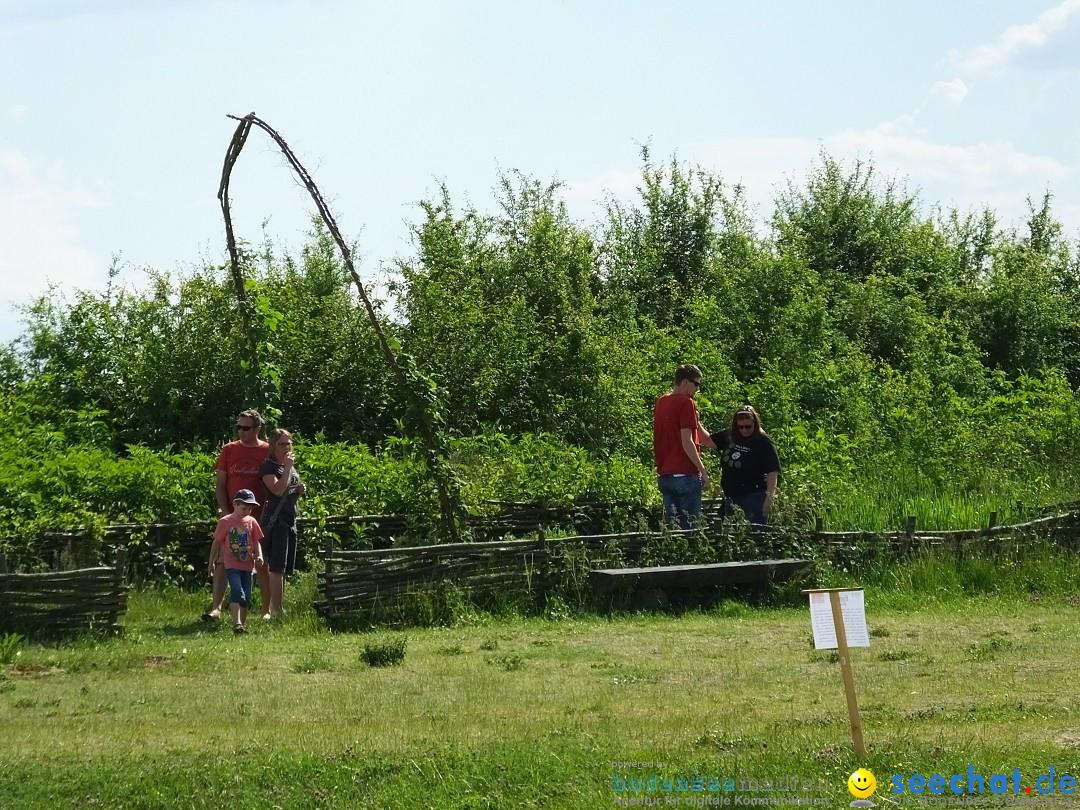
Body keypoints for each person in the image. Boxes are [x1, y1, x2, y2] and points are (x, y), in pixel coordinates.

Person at [203, 409, 269, 622]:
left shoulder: (267, 451)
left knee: (260, 561)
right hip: (232, 516)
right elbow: (220, 485)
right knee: (224, 559)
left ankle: (266, 610)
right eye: (238, 427)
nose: (241, 431)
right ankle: (216, 608)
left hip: (260, 516)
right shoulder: (229, 450)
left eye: (246, 428)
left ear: (257, 429)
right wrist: (225, 511)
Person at [653, 364, 716, 529]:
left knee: (672, 529)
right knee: (689, 529)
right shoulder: (686, 402)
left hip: (665, 474)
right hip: (685, 474)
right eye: (696, 384)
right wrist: (702, 470)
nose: (697, 389)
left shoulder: (661, 402)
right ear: (686, 382)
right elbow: (687, 441)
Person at [259, 428, 308, 618]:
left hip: (289, 520)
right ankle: (276, 611)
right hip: (276, 521)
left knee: (285, 568)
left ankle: (277, 607)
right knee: (276, 568)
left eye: (289, 443)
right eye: (282, 444)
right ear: (273, 445)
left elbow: (288, 488)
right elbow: (278, 490)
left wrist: (299, 489)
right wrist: (287, 467)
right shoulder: (268, 467)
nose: (287, 447)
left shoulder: (289, 464)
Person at [710, 405, 781, 525]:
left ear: (755, 423)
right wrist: (694, 422)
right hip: (731, 495)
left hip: (754, 495)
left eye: (748, 426)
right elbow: (708, 440)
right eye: (740, 427)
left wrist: (769, 499)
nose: (744, 430)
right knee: (731, 534)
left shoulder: (763, 442)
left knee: (754, 533)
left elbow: (772, 471)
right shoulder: (731, 436)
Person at [207, 489, 265, 634]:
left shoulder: (252, 522)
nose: (247, 511)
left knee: (247, 596)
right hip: (231, 564)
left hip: (248, 565)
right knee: (237, 592)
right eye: (244, 508)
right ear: (235, 504)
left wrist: (260, 556)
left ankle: (241, 625)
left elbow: (256, 541)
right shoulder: (226, 521)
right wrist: (211, 562)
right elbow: (216, 542)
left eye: (250, 509)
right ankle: (237, 623)